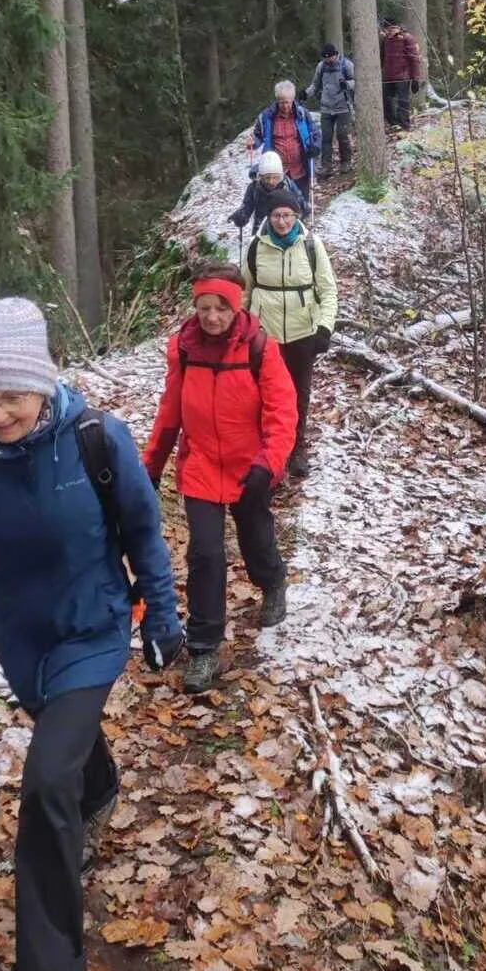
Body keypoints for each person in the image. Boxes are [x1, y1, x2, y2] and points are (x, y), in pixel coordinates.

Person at [0, 297, 184, 971]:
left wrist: (161, 616)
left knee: (43, 781)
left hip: (93, 628)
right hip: (19, 639)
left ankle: (49, 962)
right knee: (65, 757)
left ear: (43, 381)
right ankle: (102, 784)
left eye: (12, 396)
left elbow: (145, 528)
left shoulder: (97, 437)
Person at [144, 265, 299, 695]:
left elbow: (282, 412)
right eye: (204, 307)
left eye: (221, 307)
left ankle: (272, 581)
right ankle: (204, 647)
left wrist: (269, 463)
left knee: (255, 537)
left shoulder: (259, 348)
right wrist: (151, 466)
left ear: (238, 305)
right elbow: (170, 411)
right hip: (201, 466)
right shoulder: (185, 348)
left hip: (251, 465)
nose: (211, 316)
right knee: (205, 554)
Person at [242, 191, 338, 479]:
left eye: (287, 215)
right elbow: (245, 291)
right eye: (275, 215)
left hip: (302, 333)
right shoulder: (256, 247)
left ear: (296, 216)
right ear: (268, 217)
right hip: (264, 334)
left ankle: (296, 447)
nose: (281, 222)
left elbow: (328, 290)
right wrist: (241, 328)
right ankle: (266, 448)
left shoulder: (311, 245)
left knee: (298, 394)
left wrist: (324, 327)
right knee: (263, 393)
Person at [248, 80, 321, 200]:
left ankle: (303, 218)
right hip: (276, 171)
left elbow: (316, 133)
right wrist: (253, 142)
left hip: (300, 168)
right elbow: (257, 136)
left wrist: (316, 147)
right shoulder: (267, 117)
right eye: (281, 102)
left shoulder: (302, 114)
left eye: (287, 102)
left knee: (300, 203)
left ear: (293, 100)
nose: (285, 106)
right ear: (277, 100)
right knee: (279, 203)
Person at [303, 42, 355, 179]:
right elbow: (315, 85)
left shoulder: (346, 65)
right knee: (326, 138)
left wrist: (347, 84)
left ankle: (346, 162)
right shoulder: (321, 67)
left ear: (336, 55)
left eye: (330, 57)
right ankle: (327, 166)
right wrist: (306, 94)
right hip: (326, 108)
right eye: (325, 58)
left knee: (342, 136)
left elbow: (357, 81)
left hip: (343, 107)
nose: (328, 60)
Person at [231, 149, 306, 234]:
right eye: (267, 178)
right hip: (261, 228)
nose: (271, 181)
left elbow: (300, 203)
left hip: (285, 226)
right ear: (261, 176)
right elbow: (247, 206)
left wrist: (303, 209)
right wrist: (242, 216)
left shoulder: (288, 185)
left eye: (275, 177)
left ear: (281, 175)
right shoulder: (254, 187)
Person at [380, 19, 423, 131]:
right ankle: (393, 124)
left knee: (403, 101)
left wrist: (415, 78)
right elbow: (382, 57)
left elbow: (414, 59)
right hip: (388, 77)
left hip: (403, 76)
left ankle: (404, 126)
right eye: (387, 30)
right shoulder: (385, 40)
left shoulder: (407, 38)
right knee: (387, 101)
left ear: (397, 27)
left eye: (391, 29)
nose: (389, 32)